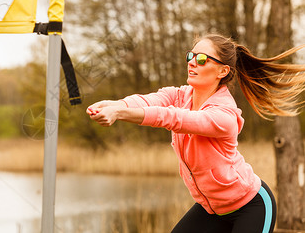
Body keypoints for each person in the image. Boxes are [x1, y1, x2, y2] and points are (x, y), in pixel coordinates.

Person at [86, 33, 305, 233]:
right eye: (191, 56)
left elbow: (173, 118)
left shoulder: (224, 115)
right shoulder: (181, 95)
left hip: (252, 206)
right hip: (212, 210)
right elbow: (148, 100)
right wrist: (116, 103)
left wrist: (121, 113)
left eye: (202, 59)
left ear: (222, 71)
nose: (192, 62)